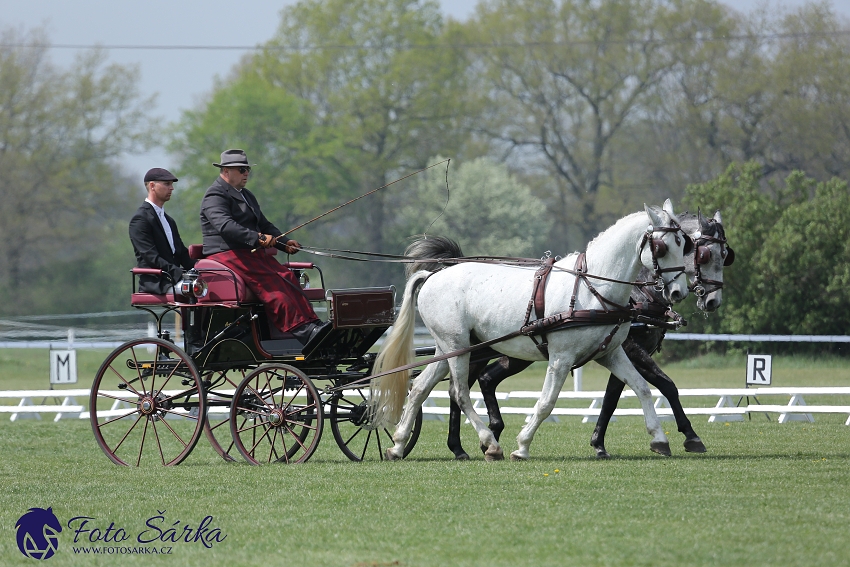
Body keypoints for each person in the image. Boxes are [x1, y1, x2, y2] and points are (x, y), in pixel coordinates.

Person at [199, 148, 330, 347]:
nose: (246, 173)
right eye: (242, 169)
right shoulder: (214, 195)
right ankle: (302, 330)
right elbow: (226, 226)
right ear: (226, 171)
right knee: (271, 280)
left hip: (247, 254)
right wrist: (258, 238)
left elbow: (264, 224)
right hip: (225, 255)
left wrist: (284, 242)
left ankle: (312, 324)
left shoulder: (246, 195)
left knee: (286, 276)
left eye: (248, 169)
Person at [129, 168, 195, 294]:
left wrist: (205, 267)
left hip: (174, 278)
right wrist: (178, 272)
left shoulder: (169, 220)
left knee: (213, 286)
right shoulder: (140, 219)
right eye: (167, 184)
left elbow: (182, 254)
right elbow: (151, 257)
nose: (172, 188)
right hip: (157, 282)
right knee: (199, 290)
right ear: (152, 186)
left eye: (171, 184)